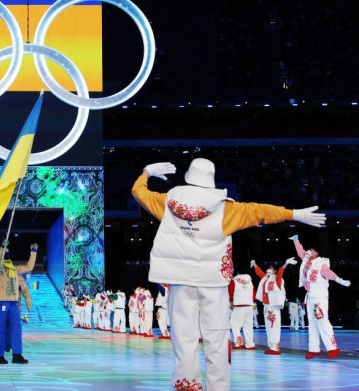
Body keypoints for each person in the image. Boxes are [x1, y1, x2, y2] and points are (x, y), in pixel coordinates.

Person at [133, 158, 326, 390]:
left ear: (189, 176)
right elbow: (260, 211)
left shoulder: (168, 203)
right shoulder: (226, 208)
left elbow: (138, 191)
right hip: (213, 283)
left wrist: (147, 172)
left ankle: (187, 386)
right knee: (217, 340)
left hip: (180, 281)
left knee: (184, 341)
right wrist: (293, 214)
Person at [290, 235, 351, 359]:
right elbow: (301, 252)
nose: (309, 251)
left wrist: (341, 281)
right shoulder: (307, 260)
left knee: (322, 320)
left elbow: (330, 274)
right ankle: (314, 348)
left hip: (320, 296)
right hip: (310, 296)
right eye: (309, 250)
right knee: (312, 322)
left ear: (317, 252)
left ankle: (333, 348)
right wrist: (296, 240)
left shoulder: (322, 263)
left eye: (312, 250)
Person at [0, 242, 37, 364]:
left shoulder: (14, 269)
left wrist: (33, 252)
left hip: (14, 302)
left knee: (17, 327)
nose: (7, 253)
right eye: (5, 251)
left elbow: (29, 267)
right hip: (1, 301)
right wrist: (1, 248)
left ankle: (17, 354)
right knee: (0, 328)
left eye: (7, 251)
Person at [252, 258, 296, 354]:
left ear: (275, 271)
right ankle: (271, 346)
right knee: (268, 327)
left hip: (274, 305)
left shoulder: (277, 278)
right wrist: (254, 264)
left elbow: (280, 273)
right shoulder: (266, 278)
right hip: (267, 306)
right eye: (269, 268)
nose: (269, 269)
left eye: (271, 268)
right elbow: (259, 273)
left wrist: (286, 264)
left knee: (274, 326)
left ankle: (275, 347)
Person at [229, 272, 256, 350]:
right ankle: (250, 344)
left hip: (239, 305)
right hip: (249, 305)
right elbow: (253, 293)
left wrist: (231, 303)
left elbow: (231, 293)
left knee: (234, 323)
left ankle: (239, 342)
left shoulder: (234, 281)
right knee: (248, 326)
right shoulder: (250, 281)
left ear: (237, 273)